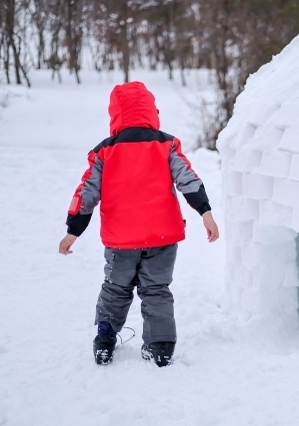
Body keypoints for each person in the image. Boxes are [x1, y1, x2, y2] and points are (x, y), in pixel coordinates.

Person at [58, 81, 219, 367]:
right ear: (151, 112)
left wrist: (73, 230)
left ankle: (105, 339)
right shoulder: (166, 144)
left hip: (121, 239)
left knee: (115, 288)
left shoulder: (104, 152)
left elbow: (86, 193)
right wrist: (204, 211)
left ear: (115, 115)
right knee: (156, 289)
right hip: (162, 237)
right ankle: (160, 347)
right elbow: (188, 179)